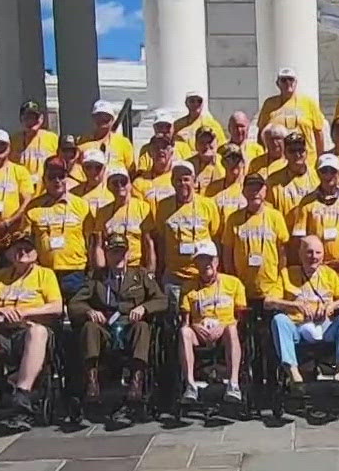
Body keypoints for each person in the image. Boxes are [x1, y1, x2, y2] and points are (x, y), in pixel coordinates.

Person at [0, 233, 64, 425]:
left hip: (28, 330)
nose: (22, 252)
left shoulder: (45, 275)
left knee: (38, 332)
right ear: (9, 254)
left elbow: (56, 307)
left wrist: (24, 313)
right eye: (17, 249)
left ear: (35, 253)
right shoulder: (0, 276)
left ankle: (23, 392)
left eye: (27, 249)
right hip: (1, 331)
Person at [70, 232, 167, 404]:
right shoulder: (96, 277)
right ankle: (92, 382)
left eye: (122, 252)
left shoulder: (140, 275)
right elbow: (74, 304)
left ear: (128, 254)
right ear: (106, 255)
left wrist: (144, 308)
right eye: (114, 253)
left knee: (143, 327)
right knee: (89, 328)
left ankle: (136, 383)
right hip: (106, 329)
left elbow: (161, 300)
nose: (119, 257)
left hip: (130, 326)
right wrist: (89, 311)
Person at [270, 235, 339, 393]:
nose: (314, 257)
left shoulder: (329, 274)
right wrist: (294, 305)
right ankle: (294, 377)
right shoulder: (287, 273)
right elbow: (268, 302)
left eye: (318, 252)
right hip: (298, 328)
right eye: (309, 252)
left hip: (325, 328)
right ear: (300, 253)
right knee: (279, 320)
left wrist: (333, 305)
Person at [174, 242, 246, 404]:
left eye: (209, 259)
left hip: (225, 330)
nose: (206, 264)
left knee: (232, 329)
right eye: (201, 260)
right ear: (196, 264)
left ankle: (233, 384)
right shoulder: (189, 287)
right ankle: (190, 384)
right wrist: (194, 326)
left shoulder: (233, 283)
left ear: (216, 261)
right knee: (184, 332)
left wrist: (224, 325)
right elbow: (185, 321)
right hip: (199, 331)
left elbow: (240, 316)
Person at [19, 158, 97, 299]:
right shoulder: (33, 207)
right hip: (45, 272)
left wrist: (91, 269)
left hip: (75, 270)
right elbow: (26, 241)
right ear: (44, 179)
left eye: (61, 176)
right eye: (51, 177)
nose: (57, 181)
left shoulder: (82, 205)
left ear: (66, 177)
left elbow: (91, 241)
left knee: (76, 314)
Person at [291, 155, 339, 282]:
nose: (328, 175)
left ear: (338, 173)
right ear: (318, 174)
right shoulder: (307, 202)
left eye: (332, 171)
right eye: (324, 171)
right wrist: (310, 262)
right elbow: (299, 237)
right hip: (316, 273)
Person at [152, 162, 223, 293]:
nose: (182, 183)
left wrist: (215, 270)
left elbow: (215, 239)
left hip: (200, 276)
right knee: (172, 313)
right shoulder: (163, 206)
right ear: (172, 182)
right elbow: (161, 240)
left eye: (186, 179)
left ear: (194, 181)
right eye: (178, 180)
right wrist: (160, 270)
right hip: (173, 276)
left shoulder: (208, 205)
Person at [222, 172, 290, 304]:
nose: (255, 192)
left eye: (258, 188)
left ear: (265, 190)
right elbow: (227, 254)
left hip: (271, 289)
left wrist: (279, 281)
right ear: (243, 191)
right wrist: (234, 282)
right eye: (250, 188)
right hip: (242, 289)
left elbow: (282, 254)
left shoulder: (275, 217)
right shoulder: (233, 219)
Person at [94, 165, 156, 272]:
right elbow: (99, 245)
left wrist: (150, 271)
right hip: (112, 268)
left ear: (130, 184)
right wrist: (101, 271)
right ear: (109, 186)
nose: (119, 186)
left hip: (136, 266)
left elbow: (148, 243)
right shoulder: (103, 212)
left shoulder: (143, 208)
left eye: (123, 181)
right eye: (115, 183)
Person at [257, 67, 329, 156]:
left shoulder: (309, 102)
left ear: (296, 82)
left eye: (291, 79)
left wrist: (320, 157)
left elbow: (319, 133)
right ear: (277, 84)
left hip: (306, 158)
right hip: (277, 160)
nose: (288, 83)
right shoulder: (269, 104)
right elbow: (261, 132)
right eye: (283, 80)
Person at [84, 99, 136, 170]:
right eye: (98, 116)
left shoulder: (123, 143)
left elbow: (131, 171)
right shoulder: (83, 142)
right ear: (93, 118)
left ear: (112, 120)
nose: (102, 120)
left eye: (106, 117)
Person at [172, 91, 226, 157]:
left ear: (203, 103)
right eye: (192, 101)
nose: (195, 104)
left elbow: (222, 148)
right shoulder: (177, 124)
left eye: (199, 101)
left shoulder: (212, 124)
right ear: (186, 103)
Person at [11, 100, 58, 172]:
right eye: (27, 118)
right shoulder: (13, 141)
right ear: (21, 119)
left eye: (34, 118)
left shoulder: (53, 139)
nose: (30, 122)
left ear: (41, 118)